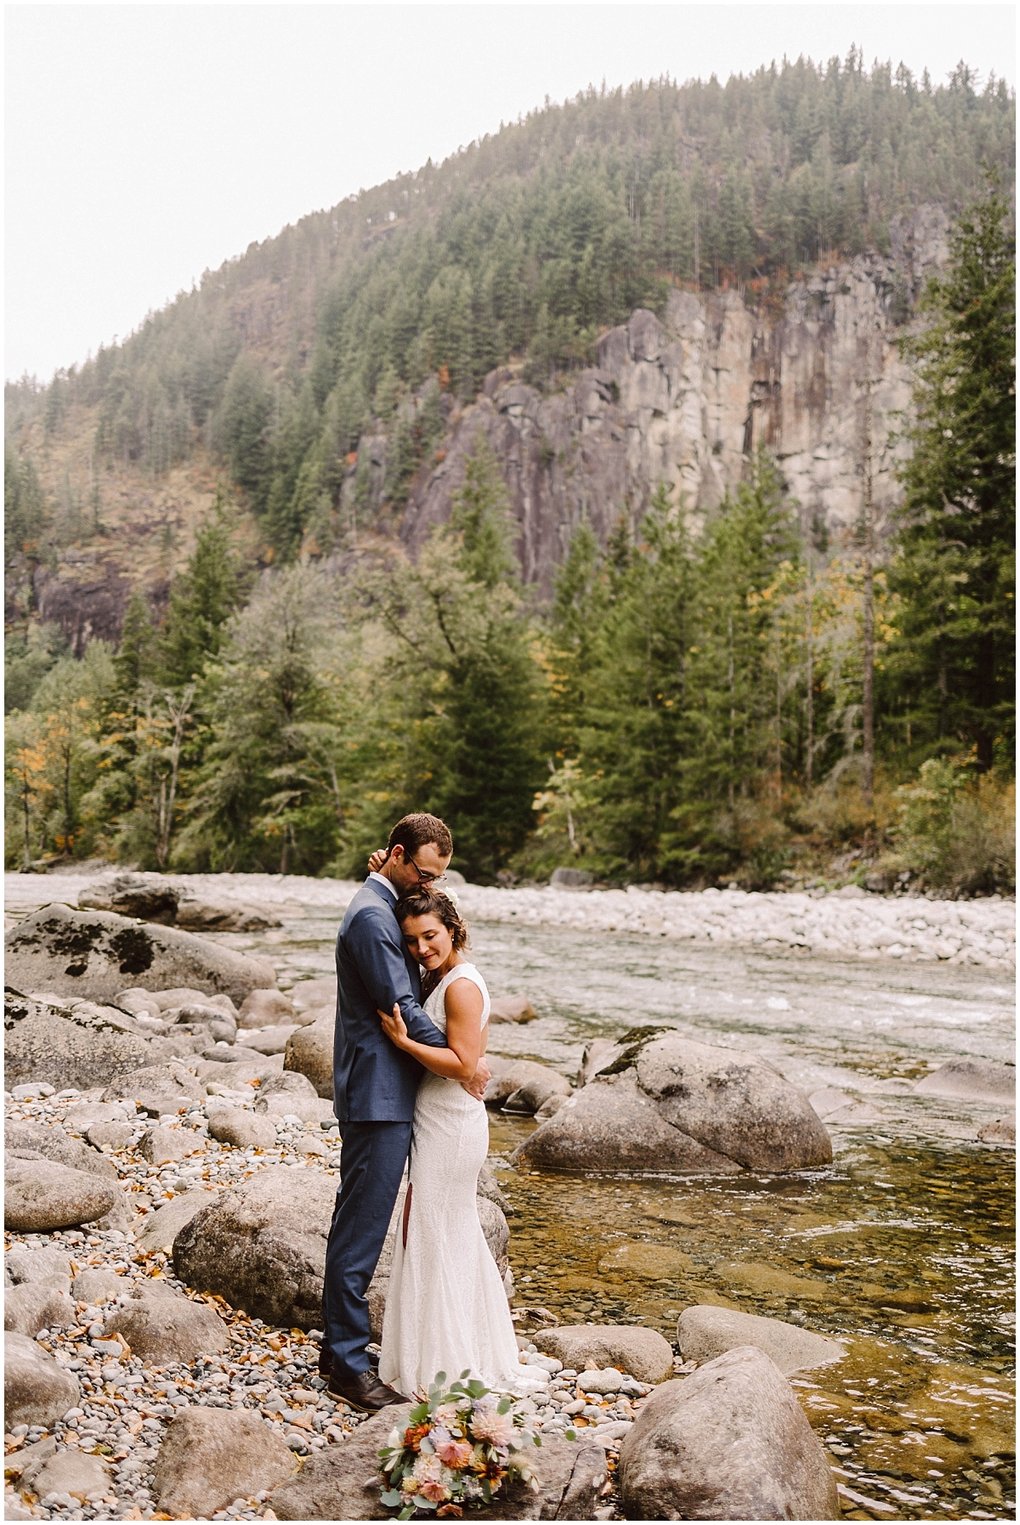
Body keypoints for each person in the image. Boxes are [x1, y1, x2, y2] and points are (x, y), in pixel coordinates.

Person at [322, 812, 489, 1413]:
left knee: (358, 1222)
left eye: (436, 878)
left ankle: (341, 1351)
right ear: (396, 855)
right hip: (379, 1095)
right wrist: (462, 1062)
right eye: (422, 872)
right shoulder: (373, 916)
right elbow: (400, 1006)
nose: (428, 885)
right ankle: (346, 1364)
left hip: (387, 1093)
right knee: (362, 1229)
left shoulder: (381, 899)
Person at [375, 886, 548, 1398]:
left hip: (451, 1127)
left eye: (430, 935)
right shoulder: (441, 976)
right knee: (438, 1233)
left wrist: (404, 1042)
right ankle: (446, 1351)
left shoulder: (462, 987)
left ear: (452, 929)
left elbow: (464, 1065)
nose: (421, 948)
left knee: (432, 1232)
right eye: (411, 940)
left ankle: (442, 1362)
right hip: (439, 1120)